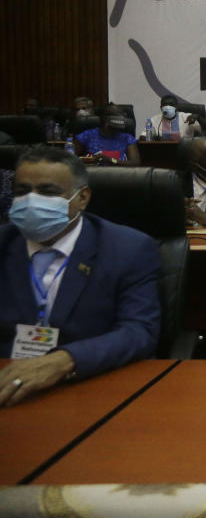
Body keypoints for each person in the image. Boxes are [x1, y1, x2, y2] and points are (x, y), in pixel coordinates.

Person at [0, 147, 161, 406]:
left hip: (93, 385)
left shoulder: (129, 248)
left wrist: (64, 360)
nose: (31, 201)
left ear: (82, 197)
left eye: (47, 192)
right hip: (9, 386)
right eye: (22, 191)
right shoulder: (4, 242)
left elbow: (138, 331)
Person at [74, 104, 141, 166]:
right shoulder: (87, 135)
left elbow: (135, 163)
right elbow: (71, 158)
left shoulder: (127, 138)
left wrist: (110, 160)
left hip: (119, 175)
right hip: (93, 174)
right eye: (117, 116)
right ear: (105, 119)